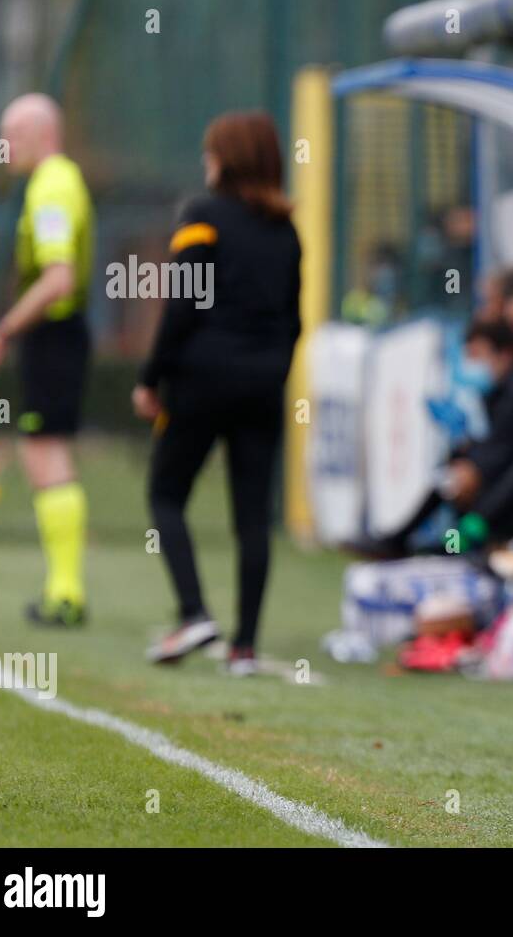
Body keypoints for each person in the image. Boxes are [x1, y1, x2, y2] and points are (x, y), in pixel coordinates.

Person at [136, 111, 302, 676]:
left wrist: (148, 377)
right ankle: (245, 647)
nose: (205, 163)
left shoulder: (201, 216)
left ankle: (193, 613)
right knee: (253, 516)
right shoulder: (287, 232)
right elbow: (294, 322)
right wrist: (272, 371)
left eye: (211, 153)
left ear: (226, 159)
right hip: (262, 386)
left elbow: (182, 304)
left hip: (202, 379)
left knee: (165, 494)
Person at [0, 93, 94, 628]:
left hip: (55, 335)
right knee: (42, 453)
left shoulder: (51, 186)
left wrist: (1, 333)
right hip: (56, 336)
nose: (5, 146)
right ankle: (63, 588)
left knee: (47, 454)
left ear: (42, 133)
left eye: (11, 134)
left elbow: (58, 278)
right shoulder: (55, 181)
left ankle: (65, 593)